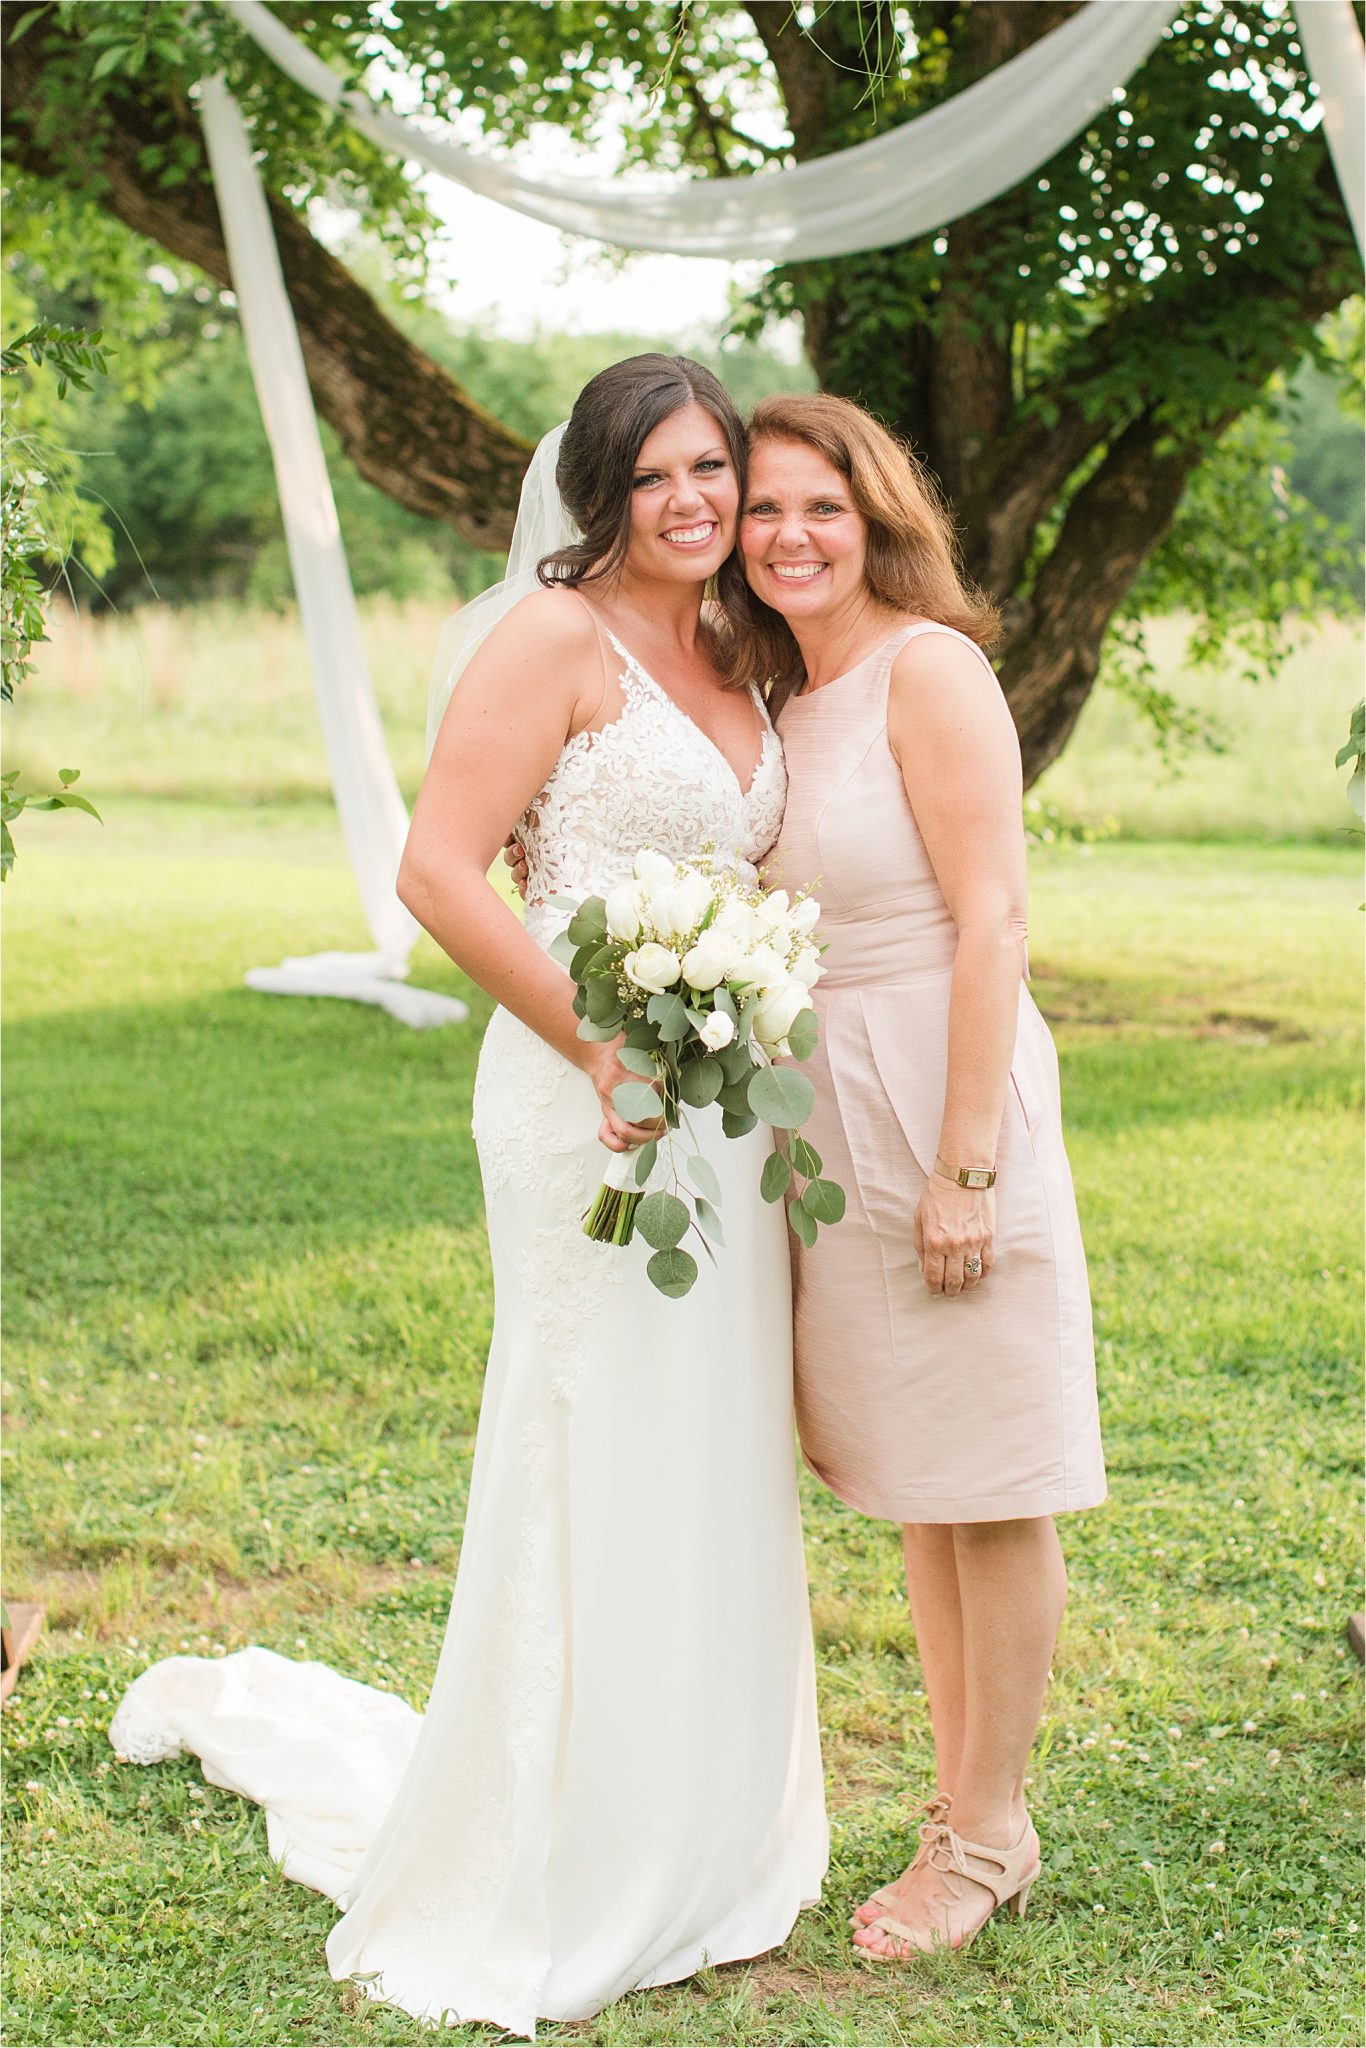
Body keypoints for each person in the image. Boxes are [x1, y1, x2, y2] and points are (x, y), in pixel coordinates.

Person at [109, 357, 827, 2036]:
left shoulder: (736, 643)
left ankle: (701, 1828)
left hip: (714, 1101)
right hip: (578, 1089)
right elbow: (438, 869)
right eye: (654, 476)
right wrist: (596, 1044)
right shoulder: (549, 639)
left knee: (713, 1439)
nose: (694, 501)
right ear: (597, 491)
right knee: (593, 1430)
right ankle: (554, 1844)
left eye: (711, 465)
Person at [731, 392, 1106, 1958]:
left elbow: (992, 922)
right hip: (823, 1110)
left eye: (820, 508)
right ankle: (958, 1805)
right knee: (917, 1480)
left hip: (942, 1085)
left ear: (879, 518)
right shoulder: (775, 696)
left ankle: (988, 1833)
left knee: (990, 1476)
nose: (788, 537)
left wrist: (966, 1165)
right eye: (760, 513)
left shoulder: (928, 669)